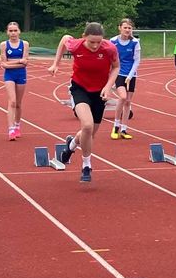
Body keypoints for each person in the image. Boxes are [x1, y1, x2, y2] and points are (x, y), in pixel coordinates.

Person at [48, 23, 121, 183]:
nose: (95, 46)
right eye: (91, 42)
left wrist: (108, 87)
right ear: (83, 37)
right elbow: (64, 39)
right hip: (79, 88)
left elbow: (116, 68)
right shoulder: (75, 45)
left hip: (99, 92)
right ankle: (86, 166)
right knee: (86, 126)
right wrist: (56, 64)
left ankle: (71, 146)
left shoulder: (109, 48)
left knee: (89, 134)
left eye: (98, 42)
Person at [109, 18, 141, 140]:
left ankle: (124, 128)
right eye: (125, 27)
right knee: (122, 97)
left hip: (131, 75)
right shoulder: (113, 41)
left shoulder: (135, 43)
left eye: (129, 28)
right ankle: (116, 126)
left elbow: (137, 60)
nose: (127, 30)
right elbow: (109, 59)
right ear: (120, 28)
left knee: (128, 102)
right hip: (118, 73)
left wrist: (130, 75)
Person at [0, 22, 29, 140]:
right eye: (10, 31)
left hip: (21, 74)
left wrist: (11, 63)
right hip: (9, 75)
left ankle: (17, 125)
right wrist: (19, 62)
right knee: (12, 101)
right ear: (7, 32)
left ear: (19, 31)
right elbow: (4, 65)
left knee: (18, 103)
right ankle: (11, 129)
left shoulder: (24, 44)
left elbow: (25, 62)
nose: (13, 33)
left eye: (15, 30)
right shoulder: (4, 45)